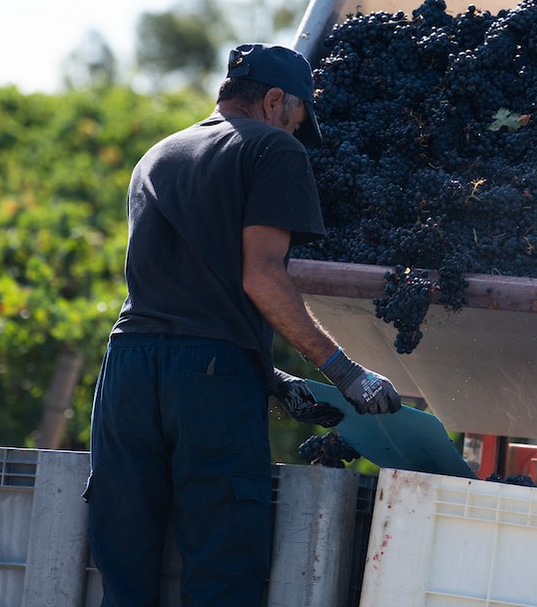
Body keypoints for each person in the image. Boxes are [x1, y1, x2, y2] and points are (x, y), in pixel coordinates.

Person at [84, 43, 402, 606]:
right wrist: (346, 372)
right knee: (222, 564)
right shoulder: (272, 149)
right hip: (209, 377)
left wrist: (270, 378)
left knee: (125, 562)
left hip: (127, 368)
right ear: (276, 100)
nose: (298, 135)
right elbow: (261, 279)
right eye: (299, 119)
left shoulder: (158, 155)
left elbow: (187, 295)